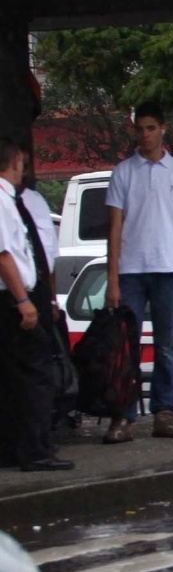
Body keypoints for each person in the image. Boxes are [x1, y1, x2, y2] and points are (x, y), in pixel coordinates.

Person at [102, 103, 173, 444]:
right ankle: (123, 414)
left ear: (163, 129)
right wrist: (112, 278)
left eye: (151, 128)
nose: (145, 135)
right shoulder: (123, 172)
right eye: (140, 129)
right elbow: (114, 228)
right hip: (130, 269)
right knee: (126, 345)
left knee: (165, 345)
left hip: (167, 268)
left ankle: (164, 411)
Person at [0, 138, 71, 471]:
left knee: (19, 375)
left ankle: (20, 446)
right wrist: (24, 300)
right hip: (14, 298)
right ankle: (35, 449)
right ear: (14, 161)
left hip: (24, 294)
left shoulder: (14, 201)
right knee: (36, 374)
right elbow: (4, 256)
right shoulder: (1, 201)